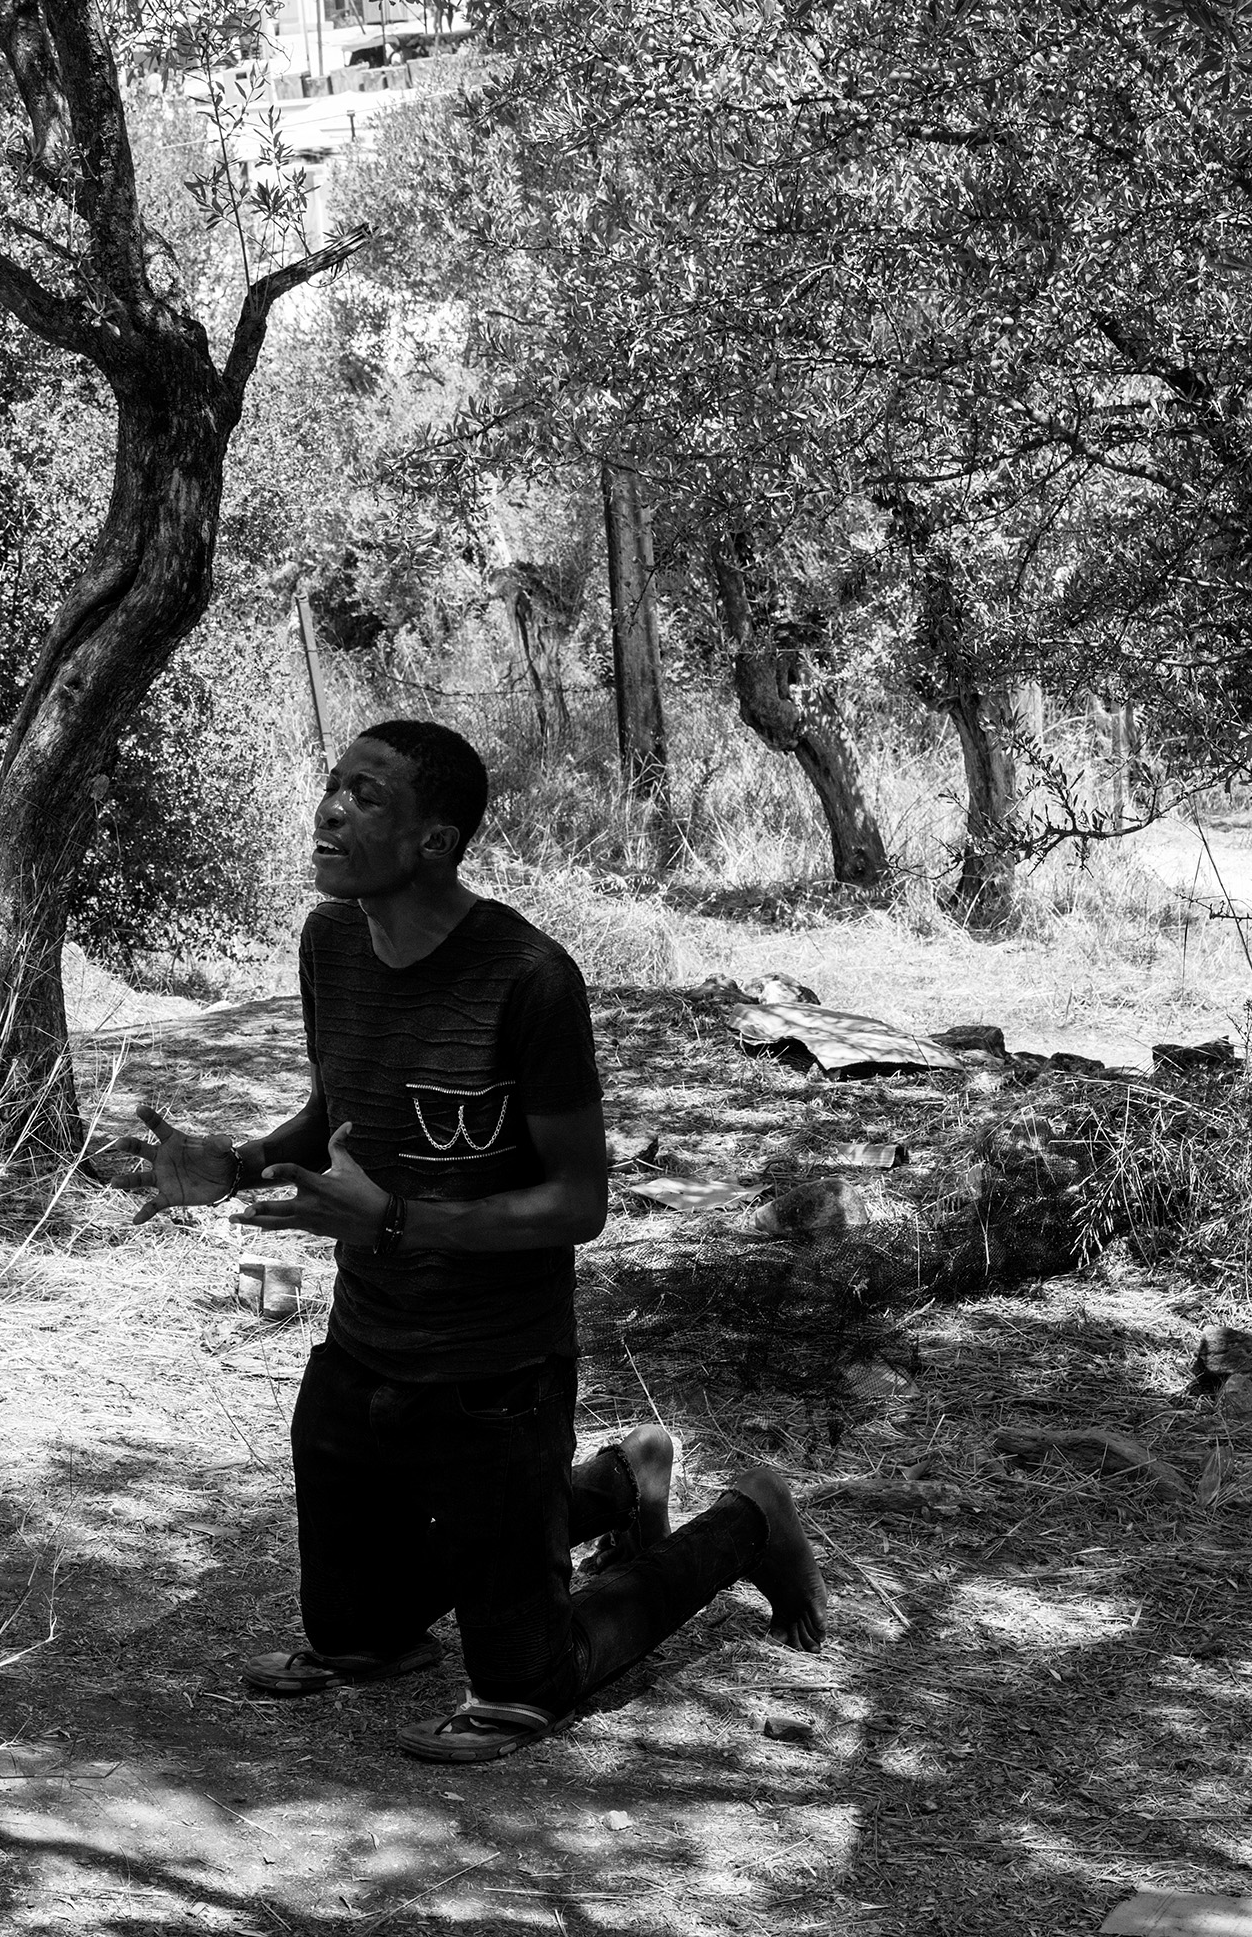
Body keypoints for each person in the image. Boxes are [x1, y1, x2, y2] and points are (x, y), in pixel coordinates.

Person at [116, 719, 827, 1765]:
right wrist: (237, 1161)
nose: (330, 810)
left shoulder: (529, 978)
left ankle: (747, 1522)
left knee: (527, 1679)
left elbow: (578, 1201)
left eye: (366, 796)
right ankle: (619, 1481)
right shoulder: (331, 942)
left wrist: (398, 1218)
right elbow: (340, 1114)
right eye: (331, 785)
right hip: (365, 1349)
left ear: (436, 839)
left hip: (497, 1371)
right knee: (354, 1636)